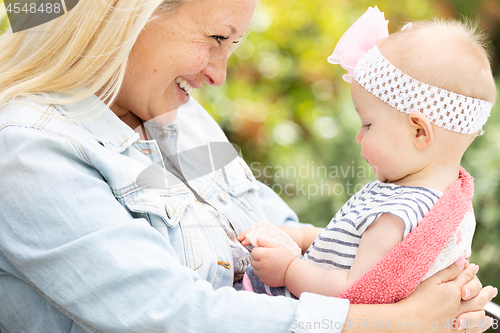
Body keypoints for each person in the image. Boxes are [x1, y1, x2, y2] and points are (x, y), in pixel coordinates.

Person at [0, 1, 495, 332]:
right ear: (125, 12)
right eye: (216, 37)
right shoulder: (30, 153)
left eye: (232, 45)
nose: (219, 74)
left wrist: (440, 295)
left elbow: (269, 226)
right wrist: (395, 322)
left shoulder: (178, 119)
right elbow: (174, 315)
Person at [237, 10, 497, 303]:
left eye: (368, 124)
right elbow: (352, 243)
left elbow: (353, 290)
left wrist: (288, 270)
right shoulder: (427, 197)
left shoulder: (397, 216)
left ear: (420, 133)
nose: (358, 136)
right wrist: (301, 237)